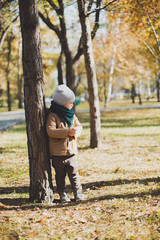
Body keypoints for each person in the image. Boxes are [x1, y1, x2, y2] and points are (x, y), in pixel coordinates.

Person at [46, 84, 84, 203]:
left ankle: (78, 192)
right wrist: (67, 132)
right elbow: (50, 131)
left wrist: (75, 133)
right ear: (62, 103)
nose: (72, 105)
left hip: (71, 152)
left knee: (74, 175)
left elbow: (79, 126)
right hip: (58, 153)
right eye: (70, 102)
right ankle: (63, 194)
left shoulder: (71, 115)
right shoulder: (53, 115)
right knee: (60, 176)